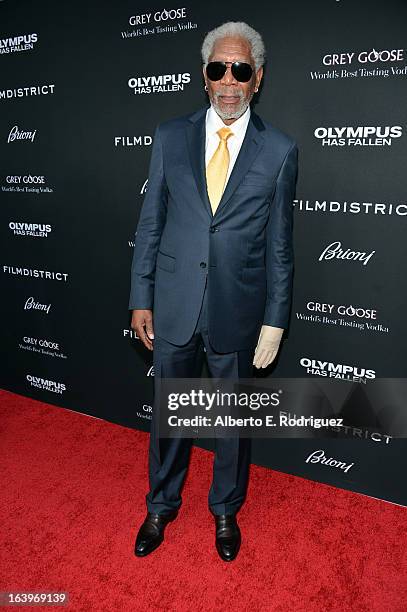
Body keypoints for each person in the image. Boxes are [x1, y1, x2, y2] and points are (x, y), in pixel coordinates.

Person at [129, 21, 298, 561]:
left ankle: (226, 510)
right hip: (175, 301)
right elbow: (151, 223)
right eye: (218, 69)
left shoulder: (280, 150)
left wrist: (275, 319)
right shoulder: (170, 135)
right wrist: (141, 296)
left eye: (241, 70)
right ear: (204, 76)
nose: (229, 81)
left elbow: (280, 244)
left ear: (258, 79)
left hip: (239, 308)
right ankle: (161, 504)